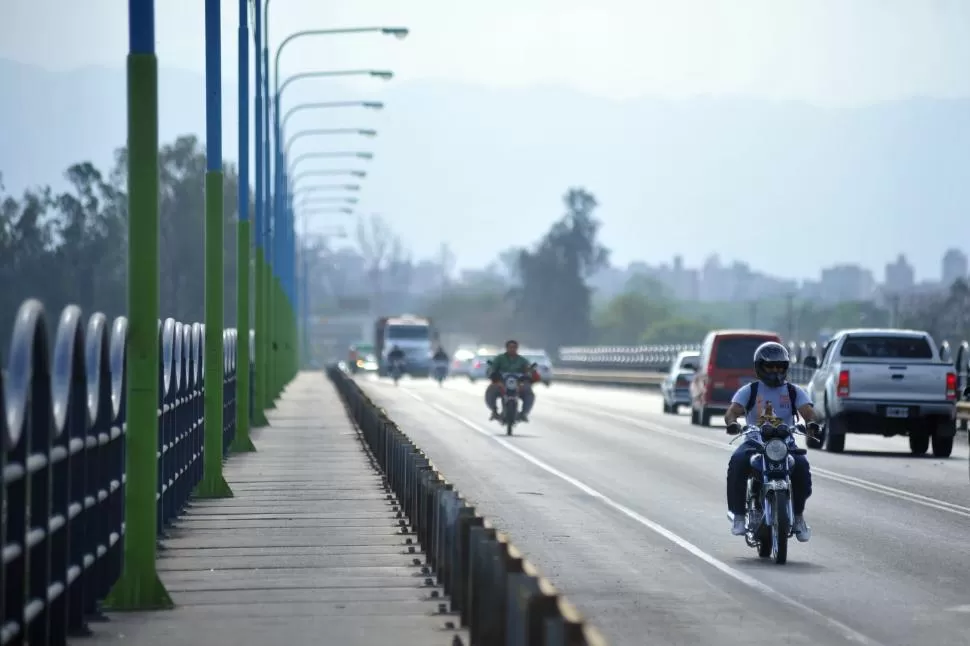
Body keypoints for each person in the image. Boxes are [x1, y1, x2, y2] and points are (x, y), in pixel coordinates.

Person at [723, 341, 820, 542]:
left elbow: (808, 412)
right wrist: (733, 423)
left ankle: (799, 517)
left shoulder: (793, 391)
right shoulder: (749, 390)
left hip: (785, 443)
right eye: (770, 366)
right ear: (760, 367)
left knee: (801, 467)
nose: (775, 371)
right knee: (738, 461)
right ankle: (739, 516)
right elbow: (732, 411)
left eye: (779, 367)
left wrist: (811, 422)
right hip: (755, 441)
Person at [485, 339, 537, 421]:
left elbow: (528, 370)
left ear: (517, 348)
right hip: (502, 382)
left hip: (518, 383)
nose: (512, 349)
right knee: (490, 390)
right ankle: (494, 411)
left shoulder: (522, 360)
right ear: (506, 348)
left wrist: (529, 374)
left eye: (514, 347)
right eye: (510, 347)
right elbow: (492, 368)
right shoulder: (500, 358)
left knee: (529, 392)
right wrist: (493, 375)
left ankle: (524, 413)